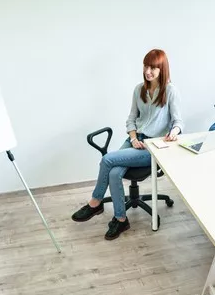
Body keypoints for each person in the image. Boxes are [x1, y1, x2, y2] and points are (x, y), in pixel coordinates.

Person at [71, 49, 183, 240]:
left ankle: (95, 203)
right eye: (146, 66)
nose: (148, 71)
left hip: (152, 147)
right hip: (134, 140)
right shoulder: (138, 89)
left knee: (107, 159)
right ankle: (121, 220)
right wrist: (132, 138)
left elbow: (178, 122)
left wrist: (173, 132)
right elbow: (131, 119)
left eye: (153, 68)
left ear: (162, 69)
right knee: (114, 173)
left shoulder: (170, 91)